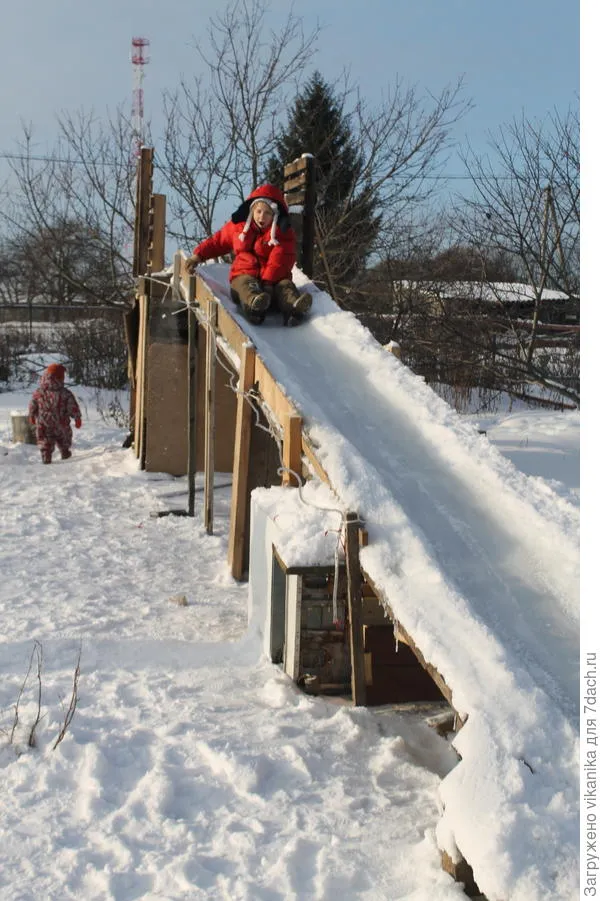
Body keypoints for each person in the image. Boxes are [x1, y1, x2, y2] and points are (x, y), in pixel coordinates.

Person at [184, 184, 312, 325]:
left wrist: (269, 282)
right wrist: (198, 255)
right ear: (252, 211)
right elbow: (218, 241)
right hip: (244, 276)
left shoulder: (282, 234)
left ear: (275, 215)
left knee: (285, 285)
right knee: (245, 285)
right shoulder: (238, 227)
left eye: (267, 213)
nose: (261, 216)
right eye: (258, 211)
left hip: (274, 283)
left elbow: (280, 260)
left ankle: (294, 308)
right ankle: (254, 307)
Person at [28, 363, 82, 464]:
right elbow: (72, 406)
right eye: (62, 377)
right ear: (59, 378)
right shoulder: (65, 393)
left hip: (44, 423)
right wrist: (77, 418)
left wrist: (31, 415)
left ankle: (46, 454)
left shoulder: (39, 392)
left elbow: (33, 404)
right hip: (61, 423)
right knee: (64, 437)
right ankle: (65, 451)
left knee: (44, 439)